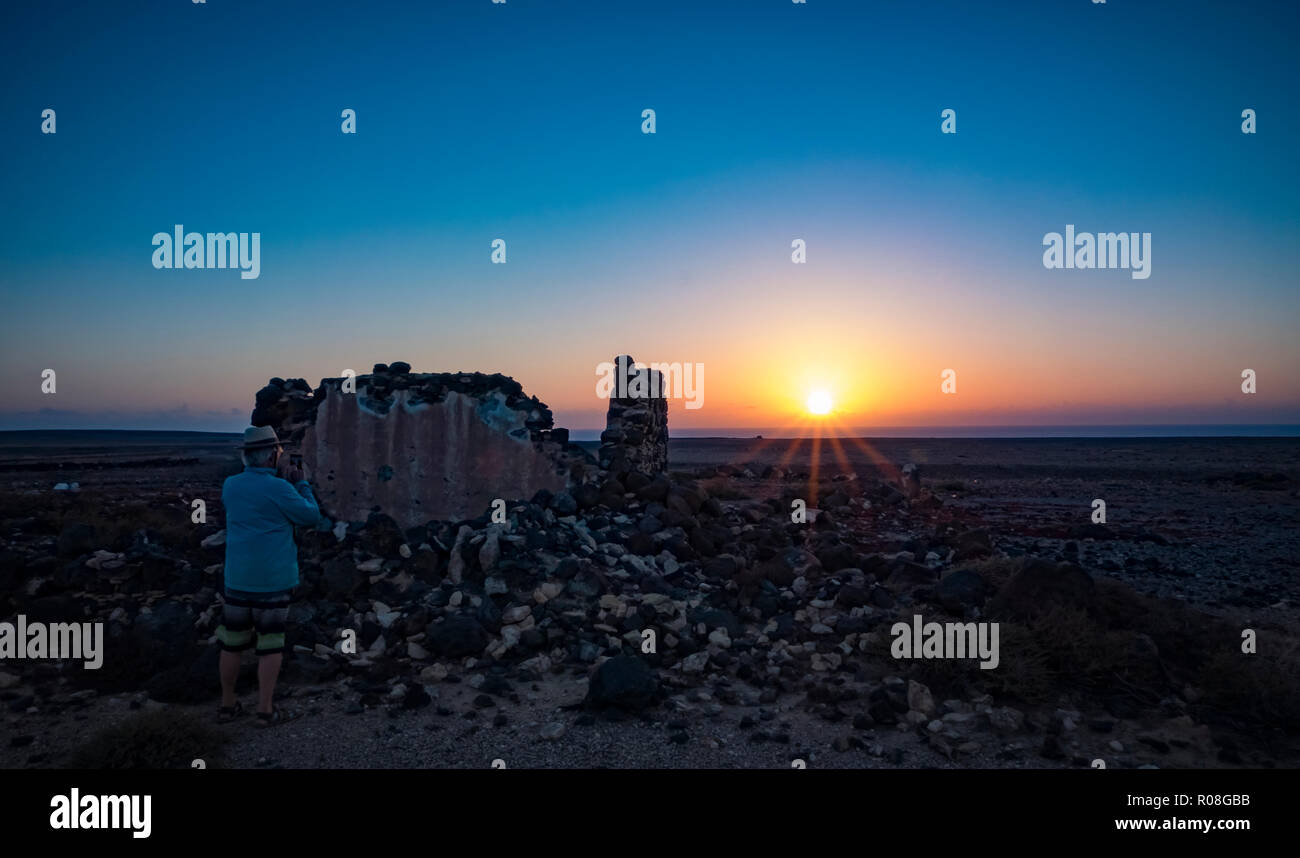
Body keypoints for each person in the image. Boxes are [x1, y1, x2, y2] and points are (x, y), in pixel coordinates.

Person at [216, 426, 321, 726]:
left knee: (231, 643)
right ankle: (264, 710)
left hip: (237, 578)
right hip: (272, 580)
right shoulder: (280, 488)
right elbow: (310, 516)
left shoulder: (230, 485)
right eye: (278, 452)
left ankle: (227, 705)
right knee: (270, 645)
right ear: (271, 456)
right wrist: (301, 485)